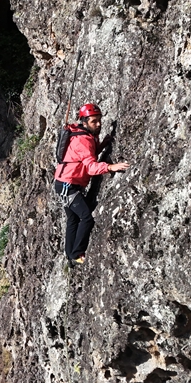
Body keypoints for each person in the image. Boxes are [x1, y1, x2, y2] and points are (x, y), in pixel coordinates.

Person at [53, 103, 130, 265]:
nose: (99, 124)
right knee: (86, 218)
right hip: (69, 185)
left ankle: (69, 254)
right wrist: (110, 167)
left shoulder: (83, 135)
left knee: (73, 219)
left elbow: (86, 156)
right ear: (84, 121)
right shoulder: (83, 139)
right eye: (94, 121)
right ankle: (76, 253)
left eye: (99, 120)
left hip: (64, 182)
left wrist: (102, 145)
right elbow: (90, 166)